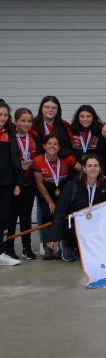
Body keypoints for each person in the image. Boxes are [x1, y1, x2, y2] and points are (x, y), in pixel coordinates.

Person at [47, 154, 106, 262]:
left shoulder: (105, 185)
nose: (93, 169)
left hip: (96, 225)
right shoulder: (73, 185)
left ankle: (84, 248)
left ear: (100, 168)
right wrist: (52, 237)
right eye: (89, 166)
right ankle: (68, 245)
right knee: (71, 231)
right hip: (76, 226)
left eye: (96, 166)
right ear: (84, 168)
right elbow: (60, 211)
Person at [33, 134, 81, 260]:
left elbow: (83, 170)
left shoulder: (67, 158)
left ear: (59, 147)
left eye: (55, 144)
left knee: (62, 217)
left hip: (62, 192)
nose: (52, 146)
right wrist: (50, 202)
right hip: (46, 193)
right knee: (47, 215)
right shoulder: (38, 160)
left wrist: (75, 185)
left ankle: (60, 244)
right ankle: (47, 246)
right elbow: (39, 184)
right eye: (49, 143)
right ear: (44, 146)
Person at [6, 108, 37, 260]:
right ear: (16, 121)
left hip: (29, 183)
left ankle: (27, 247)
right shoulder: (11, 137)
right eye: (23, 120)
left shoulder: (34, 136)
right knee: (12, 217)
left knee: (26, 217)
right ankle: (9, 248)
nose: (26, 124)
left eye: (29, 121)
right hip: (15, 183)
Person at [0, 101, 21, 266]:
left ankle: (2, 252)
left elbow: (14, 160)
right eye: (0, 115)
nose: (3, 118)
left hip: (7, 183)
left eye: (6, 115)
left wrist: (16, 182)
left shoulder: (9, 134)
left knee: (4, 218)